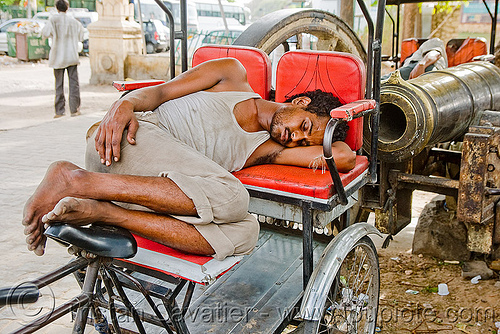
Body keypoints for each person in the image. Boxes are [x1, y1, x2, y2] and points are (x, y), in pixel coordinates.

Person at [23, 58, 356, 261]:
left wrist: (335, 127)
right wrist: (125, 104)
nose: (295, 137)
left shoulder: (266, 150)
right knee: (235, 197)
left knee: (245, 232)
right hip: (131, 140)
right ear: (300, 100)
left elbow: (343, 157)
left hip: (147, 188)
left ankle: (106, 211)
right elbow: (161, 92)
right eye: (305, 125)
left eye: (303, 141)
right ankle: (75, 179)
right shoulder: (231, 76)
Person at [42, 0, 84, 118]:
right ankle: (74, 109)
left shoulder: (53, 20)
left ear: (56, 8)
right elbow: (81, 36)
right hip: (71, 56)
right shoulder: (74, 22)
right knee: (74, 84)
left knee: (59, 84)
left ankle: (60, 111)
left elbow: (45, 33)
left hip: (58, 57)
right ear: (67, 7)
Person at [383, 38, 448, 81]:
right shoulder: (410, 57)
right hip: (419, 75)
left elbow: (434, 53)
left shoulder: (433, 42)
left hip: (421, 69)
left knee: (380, 82)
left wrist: (422, 64)